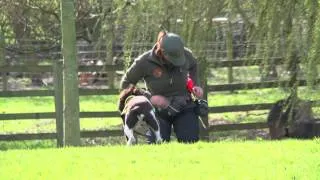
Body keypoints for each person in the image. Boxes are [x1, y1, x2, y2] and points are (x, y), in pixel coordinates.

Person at [120, 31, 204, 143]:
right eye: (173, 58)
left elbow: (193, 65)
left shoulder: (186, 54)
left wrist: (196, 85)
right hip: (157, 111)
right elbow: (126, 84)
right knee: (157, 145)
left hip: (184, 105)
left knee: (190, 142)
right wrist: (149, 97)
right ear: (162, 52)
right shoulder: (144, 61)